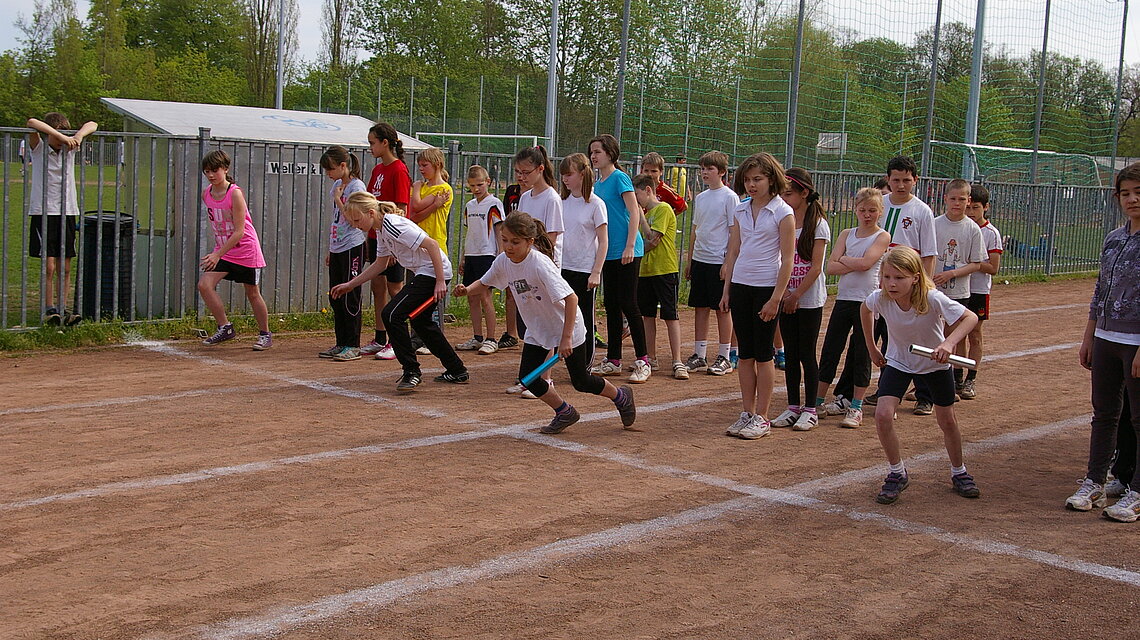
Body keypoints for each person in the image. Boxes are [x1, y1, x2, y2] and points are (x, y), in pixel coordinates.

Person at [455, 212, 637, 434]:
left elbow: (572, 299)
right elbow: (485, 282)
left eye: (515, 242)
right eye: (505, 240)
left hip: (566, 326)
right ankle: (564, 411)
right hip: (539, 328)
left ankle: (621, 396)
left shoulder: (540, 264)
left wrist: (566, 338)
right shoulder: (504, 261)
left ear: (530, 242)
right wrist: (467, 290)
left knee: (581, 381)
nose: (508, 247)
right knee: (528, 378)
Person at [861, 246, 980, 505]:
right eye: (887, 277)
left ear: (915, 277)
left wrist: (948, 345)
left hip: (934, 366)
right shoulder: (880, 297)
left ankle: (959, 472)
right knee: (882, 415)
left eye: (899, 278)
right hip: (899, 362)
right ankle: (897, 472)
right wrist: (871, 346)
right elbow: (865, 309)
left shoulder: (933, 298)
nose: (892, 284)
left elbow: (970, 318)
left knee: (947, 420)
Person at [333, 192, 468, 392]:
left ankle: (411, 371)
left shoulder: (392, 225)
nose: (355, 225)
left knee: (392, 314)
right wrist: (351, 284)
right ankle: (457, 369)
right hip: (426, 273)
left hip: (432, 272)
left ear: (371, 213)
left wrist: (440, 280)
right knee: (422, 323)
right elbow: (380, 263)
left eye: (357, 219)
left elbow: (431, 244)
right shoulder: (380, 230)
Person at [1066, 163, 1140, 523]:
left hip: (1136, 340)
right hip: (1107, 337)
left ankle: (1136, 490)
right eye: (1125, 193)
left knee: (1139, 417)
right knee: (1105, 413)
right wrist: (1089, 336)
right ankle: (1096, 480)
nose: (1132, 199)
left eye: (1138, 192)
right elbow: (1099, 292)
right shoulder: (1113, 238)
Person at [720, 152, 795, 440]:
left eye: (758, 179)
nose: (752, 185)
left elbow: (787, 260)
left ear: (771, 179)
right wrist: (727, 290)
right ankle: (747, 412)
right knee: (745, 354)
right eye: (748, 180)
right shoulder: (740, 209)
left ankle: (763, 416)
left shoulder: (782, 212)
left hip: (766, 286)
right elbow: (734, 251)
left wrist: (776, 298)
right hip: (741, 284)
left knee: (764, 354)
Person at [864, 156, 938, 412]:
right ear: (888, 179)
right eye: (896, 179)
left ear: (915, 181)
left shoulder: (922, 211)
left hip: (909, 285)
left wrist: (924, 286)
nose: (901, 185)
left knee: (915, 337)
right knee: (884, 336)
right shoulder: (879, 205)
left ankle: (925, 395)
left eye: (907, 180)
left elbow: (928, 253)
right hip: (881, 282)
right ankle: (884, 388)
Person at [817, 188, 890, 428]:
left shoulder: (881, 236)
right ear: (856, 209)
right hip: (844, 299)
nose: (867, 215)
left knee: (861, 353)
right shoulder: (847, 234)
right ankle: (817, 401)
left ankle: (856, 406)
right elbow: (830, 266)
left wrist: (846, 261)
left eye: (872, 210)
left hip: (867, 302)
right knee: (831, 349)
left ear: (880, 212)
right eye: (862, 210)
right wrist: (853, 263)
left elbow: (867, 263)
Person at [588, 134, 652, 384]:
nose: (594, 156)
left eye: (598, 152)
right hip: (608, 251)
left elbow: (634, 211)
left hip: (627, 250)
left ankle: (643, 360)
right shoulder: (598, 183)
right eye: (592, 152)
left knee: (629, 303)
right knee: (612, 304)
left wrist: (629, 245)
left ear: (610, 154)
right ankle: (614, 359)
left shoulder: (619, 178)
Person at [771, 168, 829, 431]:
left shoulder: (818, 225)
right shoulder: (785, 221)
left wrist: (795, 295)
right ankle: (793, 406)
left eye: (789, 193)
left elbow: (816, 267)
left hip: (808, 299)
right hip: (786, 296)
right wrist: (782, 293)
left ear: (804, 193)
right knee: (790, 355)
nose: (784, 198)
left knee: (806, 354)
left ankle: (811, 409)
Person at [26, 112, 98, 326]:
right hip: (43, 211)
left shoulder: (69, 150)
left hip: (67, 211)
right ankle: (49, 309)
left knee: (64, 266)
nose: (61, 143)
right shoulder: (39, 149)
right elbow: (31, 122)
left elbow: (92, 122)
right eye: (57, 138)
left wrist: (77, 136)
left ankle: (63, 308)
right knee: (48, 266)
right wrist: (58, 135)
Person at [197, 150, 271, 350]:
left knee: (252, 293)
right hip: (224, 251)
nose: (211, 175)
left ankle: (265, 334)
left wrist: (217, 254)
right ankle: (225, 327)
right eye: (207, 172)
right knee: (204, 284)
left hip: (245, 250)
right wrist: (219, 252)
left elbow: (239, 231)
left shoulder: (235, 193)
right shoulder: (207, 193)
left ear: (225, 169)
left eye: (215, 170)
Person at [685, 150, 738, 377]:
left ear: (722, 172)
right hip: (701, 259)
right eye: (703, 169)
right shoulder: (701, 197)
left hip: (719, 260)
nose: (705, 173)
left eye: (710, 169)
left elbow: (734, 232)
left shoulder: (729, 197)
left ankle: (725, 356)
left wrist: (728, 263)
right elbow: (695, 230)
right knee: (700, 307)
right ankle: (699, 354)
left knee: (722, 308)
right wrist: (690, 260)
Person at [932, 178, 987, 402]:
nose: (957, 203)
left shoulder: (972, 229)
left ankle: (957, 378)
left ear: (968, 200)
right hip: (935, 289)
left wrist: (952, 274)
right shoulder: (935, 224)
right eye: (953, 199)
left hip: (959, 292)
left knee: (955, 337)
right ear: (945, 199)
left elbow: (977, 263)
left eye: (962, 199)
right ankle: (930, 379)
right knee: (933, 332)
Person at [360, 122, 411, 361]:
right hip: (375, 235)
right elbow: (370, 203)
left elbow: (401, 209)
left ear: (385, 143)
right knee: (377, 286)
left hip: (392, 238)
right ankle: (380, 337)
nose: (370, 147)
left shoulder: (399, 170)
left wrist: (392, 244)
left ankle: (397, 340)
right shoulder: (378, 170)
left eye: (372, 142)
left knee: (395, 288)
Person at [632, 173, 686, 380]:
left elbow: (652, 239)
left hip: (664, 269)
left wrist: (641, 217)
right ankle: (650, 357)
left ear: (648, 190)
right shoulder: (644, 212)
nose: (636, 199)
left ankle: (677, 360)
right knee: (647, 315)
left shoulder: (662, 209)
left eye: (637, 194)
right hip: (646, 270)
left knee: (670, 316)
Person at [318, 145, 368, 361]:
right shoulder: (338, 185)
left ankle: (353, 344)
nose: (329, 174)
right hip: (338, 246)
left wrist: (339, 199)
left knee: (350, 296)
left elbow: (353, 219)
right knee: (336, 295)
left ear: (343, 166)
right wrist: (331, 247)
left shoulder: (356, 186)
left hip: (352, 246)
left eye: (331, 169)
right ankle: (341, 342)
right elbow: (336, 220)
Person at [558, 152, 607, 366]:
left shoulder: (596, 204)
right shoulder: (561, 201)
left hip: (584, 269)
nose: (565, 179)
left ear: (582, 174)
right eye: (563, 175)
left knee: (585, 316)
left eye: (569, 174)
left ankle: (585, 362)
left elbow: (603, 241)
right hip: (563, 267)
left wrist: (596, 271)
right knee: (564, 316)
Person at [455, 165, 504, 355]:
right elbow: (469, 232)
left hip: (487, 255)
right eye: (472, 186)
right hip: (472, 255)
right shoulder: (470, 205)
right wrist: (463, 258)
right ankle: (477, 337)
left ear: (488, 182)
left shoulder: (494, 203)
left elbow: (499, 230)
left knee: (485, 296)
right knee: (471, 297)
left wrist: (500, 254)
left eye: (480, 185)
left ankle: (491, 338)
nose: (476, 189)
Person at [961, 183, 1002, 400]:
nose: (970, 212)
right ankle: (955, 377)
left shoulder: (990, 233)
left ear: (986, 207)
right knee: (954, 334)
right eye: (968, 207)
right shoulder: (961, 227)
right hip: (959, 288)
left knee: (974, 334)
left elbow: (993, 267)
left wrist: (972, 264)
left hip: (977, 290)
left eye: (975, 208)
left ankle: (971, 379)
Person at [639, 151, 686, 216]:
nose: (649, 174)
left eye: (654, 171)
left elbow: (683, 206)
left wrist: (666, 217)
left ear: (661, 172)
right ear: (641, 170)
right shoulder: (637, 188)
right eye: (646, 170)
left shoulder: (665, 190)